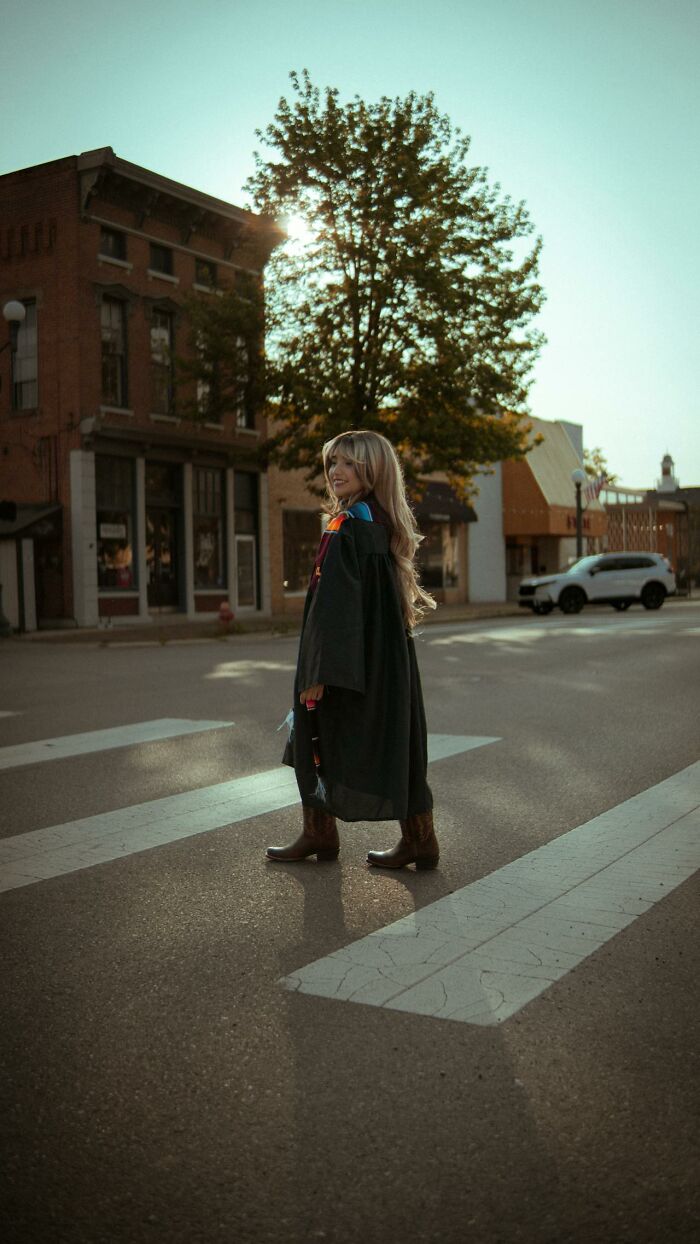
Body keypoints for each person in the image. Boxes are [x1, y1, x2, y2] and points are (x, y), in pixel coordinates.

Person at [266, 429, 439, 869]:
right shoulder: (379, 521)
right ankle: (420, 841)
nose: (336, 471)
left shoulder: (348, 526)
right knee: (397, 739)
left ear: (372, 469)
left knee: (314, 734)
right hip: (385, 658)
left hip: (345, 657)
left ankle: (319, 833)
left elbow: (335, 607)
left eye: (348, 463)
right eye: (332, 463)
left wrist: (318, 672)